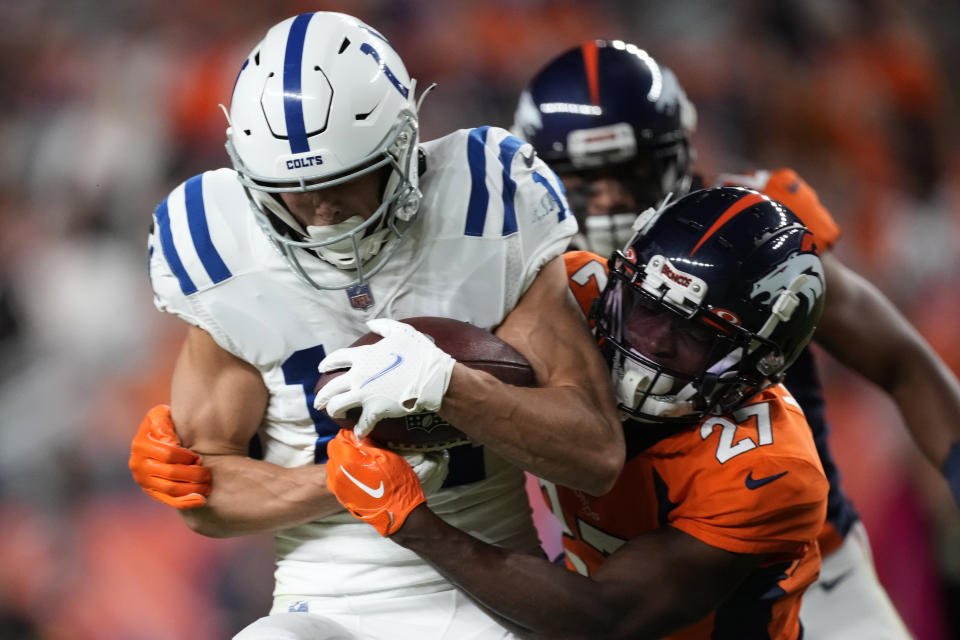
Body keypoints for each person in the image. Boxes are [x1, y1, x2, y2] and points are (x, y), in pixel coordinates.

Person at [134, 13, 624, 639]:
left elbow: (594, 452)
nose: (321, 209)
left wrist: (450, 387)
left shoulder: (488, 199)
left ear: (404, 142)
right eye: (292, 191)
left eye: (342, 181)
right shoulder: (219, 243)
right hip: (323, 598)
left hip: (494, 582)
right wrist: (349, 481)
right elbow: (210, 493)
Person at [509, 40, 959, 637]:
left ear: (681, 151)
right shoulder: (520, 260)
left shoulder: (754, 235)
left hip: (798, 572)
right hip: (615, 577)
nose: (612, 198)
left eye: (635, 171)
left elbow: (901, 362)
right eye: (581, 178)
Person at [325, 186, 832, 639]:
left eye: (697, 332)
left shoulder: (769, 469)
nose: (652, 340)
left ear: (763, 359)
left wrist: (415, 525)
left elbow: (605, 618)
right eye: (647, 305)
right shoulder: (576, 293)